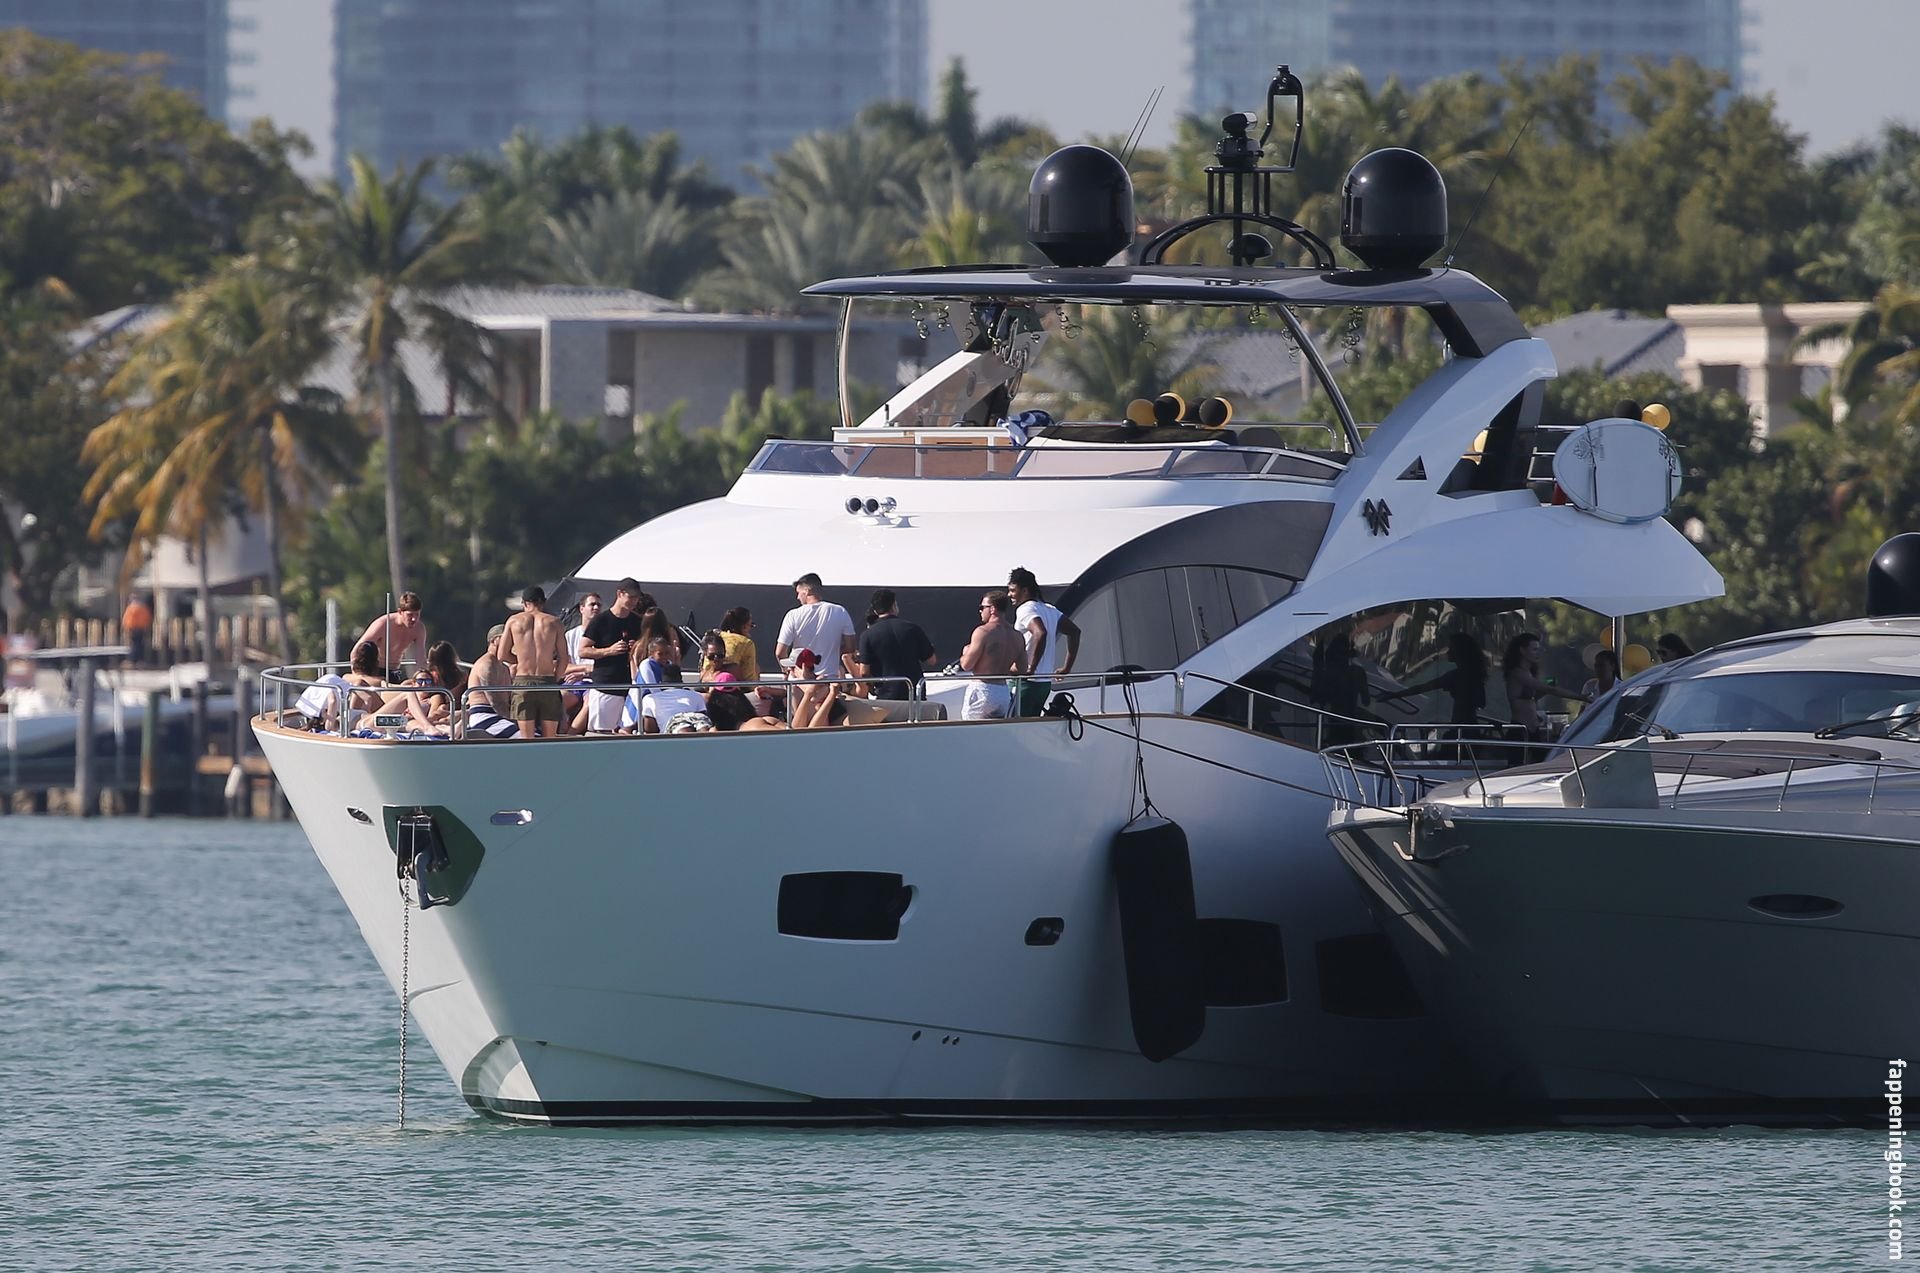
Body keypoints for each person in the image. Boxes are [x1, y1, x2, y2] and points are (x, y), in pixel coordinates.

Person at [1006, 567, 1080, 715]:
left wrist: (1031, 668)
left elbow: (1040, 632)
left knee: (1014, 725)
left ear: (1025, 590)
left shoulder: (1025, 609)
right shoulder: (1050, 609)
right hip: (1044, 684)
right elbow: (1075, 632)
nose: (1009, 594)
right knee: (1033, 724)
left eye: (1013, 590)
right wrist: (1066, 668)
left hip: (1026, 682)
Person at [578, 578, 648, 732]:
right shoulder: (601, 620)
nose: (634, 601)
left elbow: (646, 651)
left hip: (630, 687)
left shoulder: (638, 622)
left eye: (636, 598)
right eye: (631, 597)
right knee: (602, 732)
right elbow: (582, 650)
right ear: (619, 594)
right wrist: (609, 650)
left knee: (629, 733)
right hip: (606, 686)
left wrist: (636, 648)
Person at [1381, 632, 1489, 726]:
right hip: (1471, 727)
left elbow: (1421, 688)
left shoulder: (1456, 676)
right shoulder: (1474, 676)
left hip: (1460, 729)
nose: (1447, 652)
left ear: (1460, 651)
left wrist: (1393, 695)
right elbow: (1481, 703)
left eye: (1451, 648)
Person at [503, 585, 568, 739]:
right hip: (547, 680)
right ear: (543, 602)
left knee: (526, 739)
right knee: (550, 738)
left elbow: (502, 654)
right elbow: (564, 658)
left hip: (523, 681)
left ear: (524, 603)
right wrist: (556, 678)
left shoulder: (514, 621)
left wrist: (521, 661)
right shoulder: (554, 622)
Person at [1502, 631, 1590, 746]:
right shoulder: (1517, 673)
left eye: (1539, 649)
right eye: (1534, 650)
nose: (1538, 653)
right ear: (1522, 651)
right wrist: (1580, 697)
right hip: (1520, 729)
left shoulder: (1529, 673)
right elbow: (1551, 690)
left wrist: (1545, 690)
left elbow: (1533, 698)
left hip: (1533, 729)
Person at [855, 589, 936, 701]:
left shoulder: (867, 635)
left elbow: (864, 672)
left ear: (875, 610)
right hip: (914, 694)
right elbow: (931, 660)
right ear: (894, 606)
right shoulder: (913, 628)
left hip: (886, 695)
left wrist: (871, 686)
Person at [776, 574, 857, 678]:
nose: (797, 597)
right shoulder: (840, 611)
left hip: (800, 680)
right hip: (828, 679)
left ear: (806, 591)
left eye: (799, 593)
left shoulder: (792, 615)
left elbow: (780, 652)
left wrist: (786, 670)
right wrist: (833, 652)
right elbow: (850, 647)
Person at [959, 590, 1024, 719]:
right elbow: (1022, 669)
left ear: (992, 609)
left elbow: (966, 665)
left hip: (983, 688)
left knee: (971, 729)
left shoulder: (983, 632)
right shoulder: (1017, 636)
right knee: (996, 729)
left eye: (982, 607)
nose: (980, 611)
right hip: (1003, 691)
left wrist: (965, 652)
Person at [624, 643, 709, 734]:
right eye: (660, 654)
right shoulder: (696, 696)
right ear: (681, 681)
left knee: (683, 729)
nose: (664, 656)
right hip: (697, 718)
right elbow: (703, 715)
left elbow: (650, 729)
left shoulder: (650, 699)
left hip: (676, 723)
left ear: (661, 683)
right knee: (703, 728)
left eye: (666, 653)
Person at [1309, 632, 1372, 745]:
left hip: (1337, 726)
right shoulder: (1357, 672)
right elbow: (1366, 701)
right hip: (1349, 726)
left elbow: (1315, 698)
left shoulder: (1329, 674)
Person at [465, 624, 521, 740]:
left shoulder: (504, 667)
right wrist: (514, 720)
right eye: (507, 638)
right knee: (527, 736)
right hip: (484, 716)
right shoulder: (486, 664)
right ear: (495, 641)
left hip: (499, 716)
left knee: (537, 732)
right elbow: (496, 702)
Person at [356, 592, 427, 681]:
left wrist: (423, 679)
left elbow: (420, 658)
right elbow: (357, 650)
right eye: (410, 615)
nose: (414, 619)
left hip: (394, 672)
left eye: (417, 615)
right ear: (400, 612)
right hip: (374, 672)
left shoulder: (419, 629)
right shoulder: (383, 624)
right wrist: (358, 676)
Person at [718, 607, 759, 684]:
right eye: (751, 625)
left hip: (709, 684)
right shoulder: (746, 643)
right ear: (744, 626)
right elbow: (749, 678)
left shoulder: (716, 637)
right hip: (731, 686)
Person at [121, 593, 153, 668]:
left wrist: (126, 628)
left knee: (134, 646)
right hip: (142, 629)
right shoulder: (143, 608)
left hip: (134, 629)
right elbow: (148, 618)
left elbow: (128, 620)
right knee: (140, 645)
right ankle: (140, 661)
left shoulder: (132, 608)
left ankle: (132, 660)